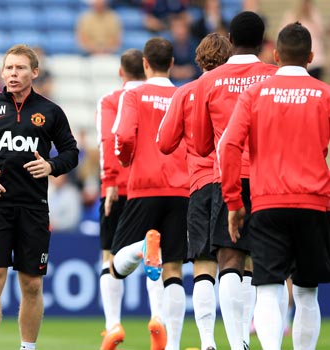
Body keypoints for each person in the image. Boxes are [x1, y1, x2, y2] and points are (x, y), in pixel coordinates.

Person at [0, 44, 79, 350]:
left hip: (34, 207)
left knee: (32, 284)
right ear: (2, 73)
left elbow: (71, 153)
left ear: (34, 72)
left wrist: (51, 165)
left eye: (20, 68)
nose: (13, 73)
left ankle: (27, 347)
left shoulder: (50, 112)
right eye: (8, 68)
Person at [218, 22, 330, 350]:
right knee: (307, 291)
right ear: (310, 56)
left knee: (268, 286)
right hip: (313, 202)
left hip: (267, 202)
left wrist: (235, 202)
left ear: (276, 55)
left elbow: (229, 146)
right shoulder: (325, 95)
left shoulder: (255, 94)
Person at [192, 11, 279, 350]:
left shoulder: (208, 82)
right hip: (269, 179)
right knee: (269, 264)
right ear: (263, 42)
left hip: (226, 179)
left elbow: (200, 144)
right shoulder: (273, 77)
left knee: (229, 259)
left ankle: (237, 343)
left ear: (229, 40)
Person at [111, 37, 189, 350]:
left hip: (144, 185)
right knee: (173, 270)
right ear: (171, 63)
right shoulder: (185, 94)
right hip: (181, 187)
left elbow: (124, 135)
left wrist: (126, 159)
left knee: (116, 265)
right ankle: (173, 346)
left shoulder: (134, 94)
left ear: (145, 64)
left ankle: (144, 246)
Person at [157, 32, 233, 350]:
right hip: (237, 180)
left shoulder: (186, 92)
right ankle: (239, 340)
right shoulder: (242, 89)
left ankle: (206, 343)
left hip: (201, 183)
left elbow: (164, 142)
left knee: (203, 264)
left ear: (199, 59)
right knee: (239, 262)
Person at [94, 48, 146, 350]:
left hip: (119, 188)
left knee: (108, 256)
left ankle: (113, 324)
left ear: (120, 72)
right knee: (163, 259)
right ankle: (160, 321)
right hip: (156, 187)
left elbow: (109, 139)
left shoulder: (111, 100)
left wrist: (110, 180)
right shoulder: (162, 96)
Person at [281, 0, 326, 80]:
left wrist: (310, 18)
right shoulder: (291, 15)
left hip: (316, 60)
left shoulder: (315, 15)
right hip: (297, 59)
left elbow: (321, 33)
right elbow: (284, 33)